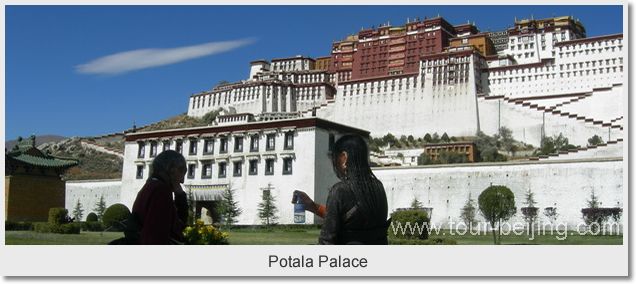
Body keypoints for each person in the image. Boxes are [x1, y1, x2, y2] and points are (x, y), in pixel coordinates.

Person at [292, 134, 389, 245]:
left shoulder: (340, 190)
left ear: (344, 157)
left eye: (335, 158)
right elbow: (351, 220)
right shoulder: (378, 187)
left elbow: (327, 241)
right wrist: (314, 207)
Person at [124, 150, 189, 245]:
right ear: (171, 169)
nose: (182, 180)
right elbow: (155, 235)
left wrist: (180, 196)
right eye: (182, 172)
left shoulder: (150, 187)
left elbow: (179, 222)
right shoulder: (160, 191)